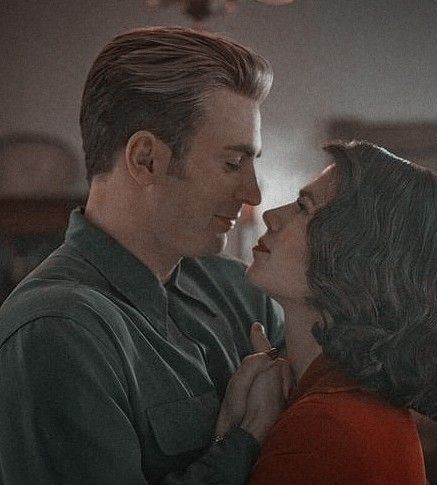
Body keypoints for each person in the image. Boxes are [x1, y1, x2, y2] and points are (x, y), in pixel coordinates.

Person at [0, 27, 289, 484]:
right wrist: (246, 437)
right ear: (146, 159)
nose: (253, 192)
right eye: (233, 164)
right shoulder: (56, 330)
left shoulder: (242, 293)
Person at [247, 140, 437, 484]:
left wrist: (237, 434)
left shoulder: (324, 428)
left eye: (303, 206)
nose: (271, 215)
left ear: (354, 260)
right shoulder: (350, 405)